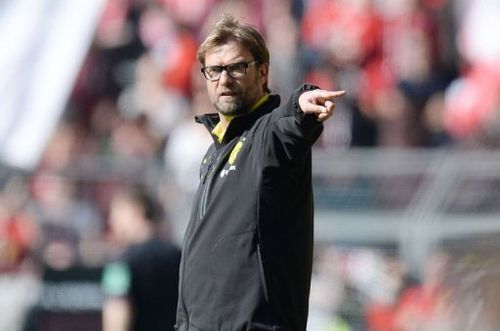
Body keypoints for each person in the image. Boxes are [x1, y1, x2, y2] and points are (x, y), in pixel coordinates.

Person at [176, 14, 346, 331]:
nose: (224, 79)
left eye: (237, 67)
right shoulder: (216, 151)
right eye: (214, 70)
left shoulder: (267, 134)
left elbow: (290, 124)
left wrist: (302, 106)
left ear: (263, 71)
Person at [101, 184, 181, 331]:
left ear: (136, 211)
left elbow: (116, 315)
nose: (112, 220)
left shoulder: (119, 264)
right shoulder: (179, 256)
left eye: (116, 212)